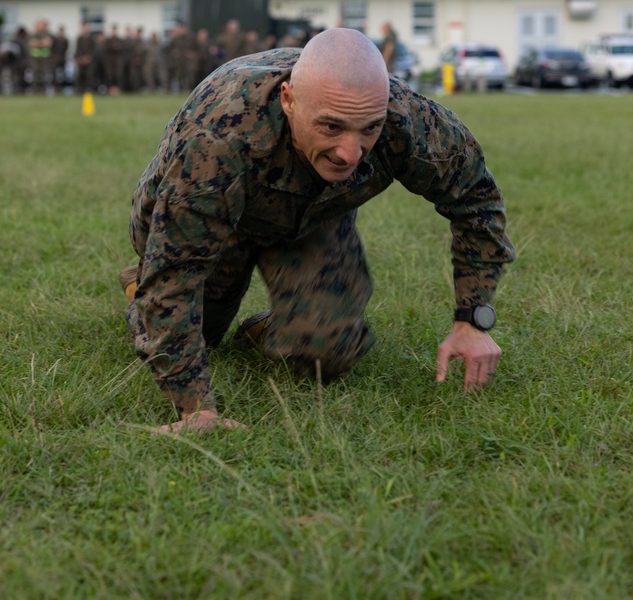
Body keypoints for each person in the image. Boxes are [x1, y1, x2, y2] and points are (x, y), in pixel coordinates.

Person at [121, 28, 514, 434]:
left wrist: (473, 319)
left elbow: (477, 200)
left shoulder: (407, 121)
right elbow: (175, 274)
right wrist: (196, 410)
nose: (350, 152)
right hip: (214, 218)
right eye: (331, 127)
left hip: (313, 217)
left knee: (330, 352)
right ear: (289, 100)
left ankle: (285, 325)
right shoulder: (220, 136)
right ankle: (140, 289)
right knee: (202, 333)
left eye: (368, 129)